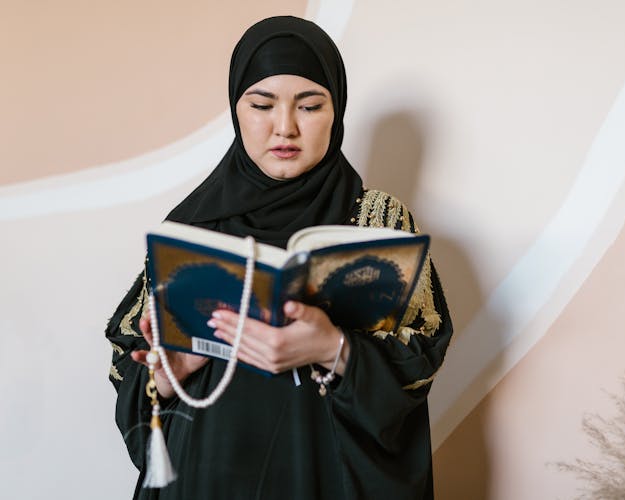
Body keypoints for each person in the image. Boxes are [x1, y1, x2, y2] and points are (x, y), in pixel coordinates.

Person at [106, 15, 452, 500]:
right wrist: (167, 377)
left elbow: (421, 355)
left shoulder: (377, 221)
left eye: (310, 106)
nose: (284, 127)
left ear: (337, 112)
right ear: (236, 110)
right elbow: (132, 367)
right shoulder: (191, 230)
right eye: (261, 104)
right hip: (208, 473)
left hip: (328, 473)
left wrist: (333, 348)